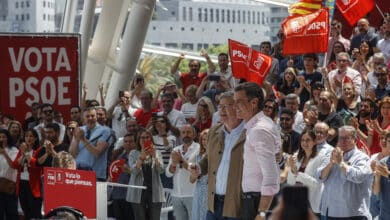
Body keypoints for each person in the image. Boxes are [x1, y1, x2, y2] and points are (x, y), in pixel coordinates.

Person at [234, 82, 281, 220]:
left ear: (254, 102)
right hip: (255, 199)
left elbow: (271, 176)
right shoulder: (261, 125)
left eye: (239, 102)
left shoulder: (259, 129)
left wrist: (261, 213)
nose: (235, 106)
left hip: (258, 202)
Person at [197, 91, 246, 219]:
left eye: (226, 106)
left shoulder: (249, 133)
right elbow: (208, 158)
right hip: (214, 203)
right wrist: (198, 168)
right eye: (220, 106)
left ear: (236, 107)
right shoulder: (214, 131)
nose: (221, 110)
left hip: (236, 204)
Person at [318, 126, 372, 220]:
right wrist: (331, 163)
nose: (342, 141)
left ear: (355, 140)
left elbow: (358, 176)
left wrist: (341, 163)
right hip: (331, 211)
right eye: (340, 138)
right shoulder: (332, 154)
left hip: (353, 213)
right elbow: (319, 176)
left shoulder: (362, 157)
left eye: (346, 138)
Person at [126, 129, 165, 220]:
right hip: (137, 192)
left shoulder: (157, 153)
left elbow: (161, 170)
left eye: (147, 137)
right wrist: (141, 158)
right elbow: (134, 171)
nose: (145, 140)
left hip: (154, 191)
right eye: (142, 138)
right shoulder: (133, 153)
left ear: (151, 140)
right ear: (138, 140)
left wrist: (155, 156)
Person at [166, 124, 200, 220]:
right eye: (183, 132)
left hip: (192, 194)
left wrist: (181, 160)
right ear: (180, 135)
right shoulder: (175, 150)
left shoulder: (199, 149)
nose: (186, 135)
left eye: (188, 132)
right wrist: (173, 164)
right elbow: (168, 173)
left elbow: (195, 170)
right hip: (176, 195)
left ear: (194, 135)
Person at [286, 129, 323, 216]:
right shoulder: (296, 156)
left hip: (312, 203)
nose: (305, 143)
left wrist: (297, 174)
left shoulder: (321, 158)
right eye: (302, 140)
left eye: (308, 140)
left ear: (314, 142)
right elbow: (290, 182)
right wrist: (292, 170)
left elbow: (316, 183)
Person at [69, 107, 111, 181]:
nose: (90, 118)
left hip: (96, 175)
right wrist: (77, 140)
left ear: (96, 117)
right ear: (83, 118)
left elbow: (97, 153)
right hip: (78, 173)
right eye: (87, 116)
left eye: (92, 116)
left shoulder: (105, 131)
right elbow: (72, 154)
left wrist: (83, 139)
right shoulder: (79, 130)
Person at [12, 129, 43, 219]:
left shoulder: (38, 151)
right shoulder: (21, 151)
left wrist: (27, 154)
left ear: (35, 138)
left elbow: (36, 166)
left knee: (35, 211)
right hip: (22, 183)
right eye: (26, 136)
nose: (28, 138)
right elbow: (15, 165)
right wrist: (23, 153)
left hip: (33, 185)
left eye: (31, 136)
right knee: (25, 210)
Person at [111, 133, 136, 220]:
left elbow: (143, 177)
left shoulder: (140, 157)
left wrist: (129, 170)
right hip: (117, 196)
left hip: (132, 197)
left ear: (136, 143)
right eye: (126, 142)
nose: (128, 144)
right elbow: (113, 175)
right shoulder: (119, 157)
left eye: (131, 141)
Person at [151, 115, 176, 188]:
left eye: (162, 121)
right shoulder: (152, 138)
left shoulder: (172, 137)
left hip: (167, 171)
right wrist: (152, 124)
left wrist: (163, 135)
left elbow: (167, 149)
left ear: (166, 124)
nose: (160, 123)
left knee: (166, 195)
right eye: (157, 122)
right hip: (156, 170)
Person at [189, 129, 209, 220]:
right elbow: (191, 180)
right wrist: (194, 174)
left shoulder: (217, 156)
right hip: (199, 189)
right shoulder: (198, 156)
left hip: (211, 191)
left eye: (207, 139)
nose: (205, 142)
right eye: (203, 139)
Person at [0, 129, 19, 220]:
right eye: (0, 137)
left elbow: (13, 166)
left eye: (4, 137)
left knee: (11, 212)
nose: (1, 139)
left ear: (8, 138)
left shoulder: (13, 150)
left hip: (9, 185)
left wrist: (4, 153)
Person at [372, 132, 390, 220]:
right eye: (389, 141)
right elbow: (376, 192)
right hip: (384, 214)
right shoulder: (383, 162)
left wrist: (388, 175)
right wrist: (377, 178)